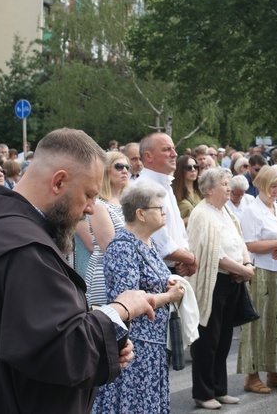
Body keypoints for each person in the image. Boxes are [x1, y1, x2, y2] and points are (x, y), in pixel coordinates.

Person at [0, 128, 156, 413]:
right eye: (88, 194)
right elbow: (58, 349)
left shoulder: (4, 230)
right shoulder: (24, 247)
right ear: (59, 182)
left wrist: (104, 342)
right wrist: (119, 310)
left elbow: (29, 337)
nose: (90, 208)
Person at [92, 183, 185, 414]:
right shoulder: (123, 245)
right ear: (140, 214)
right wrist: (169, 295)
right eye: (158, 208)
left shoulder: (148, 242)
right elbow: (127, 301)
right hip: (136, 346)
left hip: (152, 344)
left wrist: (168, 283)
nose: (164, 212)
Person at [187, 168, 255, 410]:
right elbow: (211, 255)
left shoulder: (224, 211)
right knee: (208, 339)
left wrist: (246, 264)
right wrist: (242, 269)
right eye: (224, 184)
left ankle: (219, 389)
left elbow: (239, 239)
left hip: (232, 280)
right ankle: (203, 393)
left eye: (228, 183)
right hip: (213, 282)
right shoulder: (201, 214)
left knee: (224, 338)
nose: (229, 188)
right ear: (209, 190)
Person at [236, 165, 277, 394]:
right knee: (258, 324)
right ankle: (252, 375)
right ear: (263, 185)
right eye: (273, 186)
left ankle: (275, 371)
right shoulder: (252, 210)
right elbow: (249, 244)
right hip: (260, 271)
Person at [137, 133, 198, 276]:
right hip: (156, 272)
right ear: (148, 156)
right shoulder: (145, 188)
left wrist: (183, 258)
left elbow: (178, 231)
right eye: (166, 149)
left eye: (173, 148)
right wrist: (191, 259)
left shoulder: (165, 184)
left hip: (172, 268)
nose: (174, 154)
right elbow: (157, 240)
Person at [84, 151, 130, 307]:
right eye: (119, 166)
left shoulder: (126, 204)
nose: (125, 170)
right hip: (105, 275)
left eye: (127, 167)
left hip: (126, 273)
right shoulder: (99, 205)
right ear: (105, 170)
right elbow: (111, 249)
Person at [172, 155, 202, 226]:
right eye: (189, 168)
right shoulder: (173, 191)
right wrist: (189, 219)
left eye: (196, 167)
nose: (193, 170)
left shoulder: (201, 190)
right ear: (181, 170)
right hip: (183, 233)